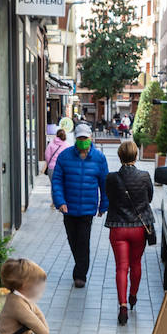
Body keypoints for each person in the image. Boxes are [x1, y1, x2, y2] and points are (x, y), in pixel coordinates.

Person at [50, 122, 108, 288]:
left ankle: (80, 274)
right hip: (68, 208)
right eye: (80, 138)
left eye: (85, 138)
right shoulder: (65, 156)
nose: (83, 141)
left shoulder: (99, 158)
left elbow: (104, 183)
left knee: (83, 241)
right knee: (73, 240)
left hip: (87, 209)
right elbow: (57, 181)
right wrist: (60, 202)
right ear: (75, 139)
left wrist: (104, 204)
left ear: (90, 138)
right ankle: (80, 265)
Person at [104, 140, 154, 325]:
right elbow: (149, 197)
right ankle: (133, 295)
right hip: (139, 228)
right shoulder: (144, 176)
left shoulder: (111, 178)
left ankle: (123, 306)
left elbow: (109, 197)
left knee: (121, 267)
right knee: (136, 264)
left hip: (118, 227)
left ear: (119, 156)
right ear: (136, 155)